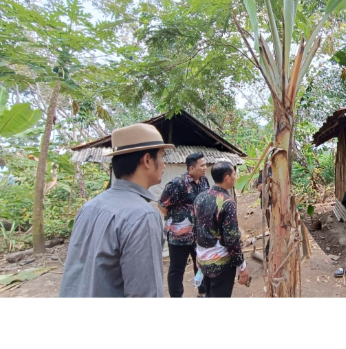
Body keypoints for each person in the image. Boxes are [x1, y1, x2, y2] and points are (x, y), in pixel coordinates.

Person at [59, 123, 174, 297]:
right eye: (162, 157)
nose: (164, 164)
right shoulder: (143, 216)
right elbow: (144, 295)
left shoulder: (89, 207)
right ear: (147, 160)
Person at [194, 161, 249, 297]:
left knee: (209, 294)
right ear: (227, 178)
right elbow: (231, 238)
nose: (236, 177)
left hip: (202, 259)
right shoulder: (227, 202)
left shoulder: (199, 198)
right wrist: (241, 265)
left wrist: (198, 254)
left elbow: (196, 229)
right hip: (220, 263)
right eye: (234, 174)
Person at [158, 153, 209, 297]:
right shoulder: (177, 184)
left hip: (200, 234)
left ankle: (202, 293)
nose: (205, 168)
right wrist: (177, 219)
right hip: (179, 237)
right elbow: (162, 205)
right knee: (177, 268)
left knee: (201, 264)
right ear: (191, 168)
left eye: (205, 165)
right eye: (202, 165)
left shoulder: (204, 182)